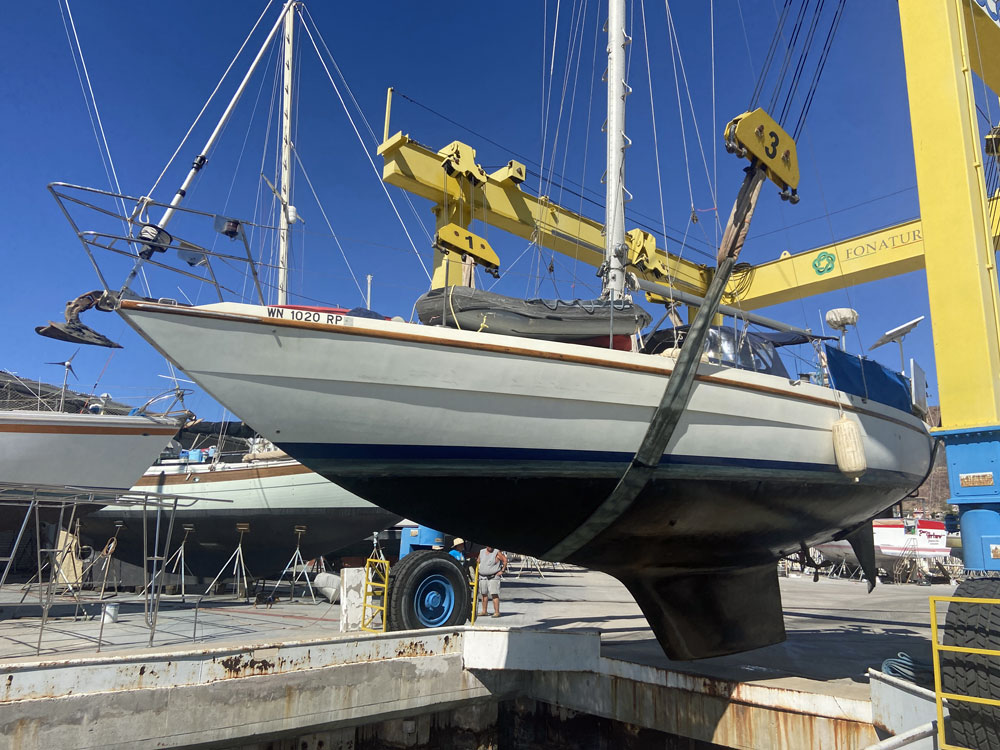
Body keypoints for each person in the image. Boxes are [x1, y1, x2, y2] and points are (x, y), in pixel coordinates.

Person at [477, 546, 508, 617]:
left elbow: (505, 560)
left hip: (493, 576)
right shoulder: (481, 551)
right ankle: (484, 611)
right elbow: (478, 561)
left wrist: (502, 570)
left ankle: (497, 612)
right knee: (484, 594)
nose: (490, 547)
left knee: (494, 594)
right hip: (483, 577)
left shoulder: (496, 552)